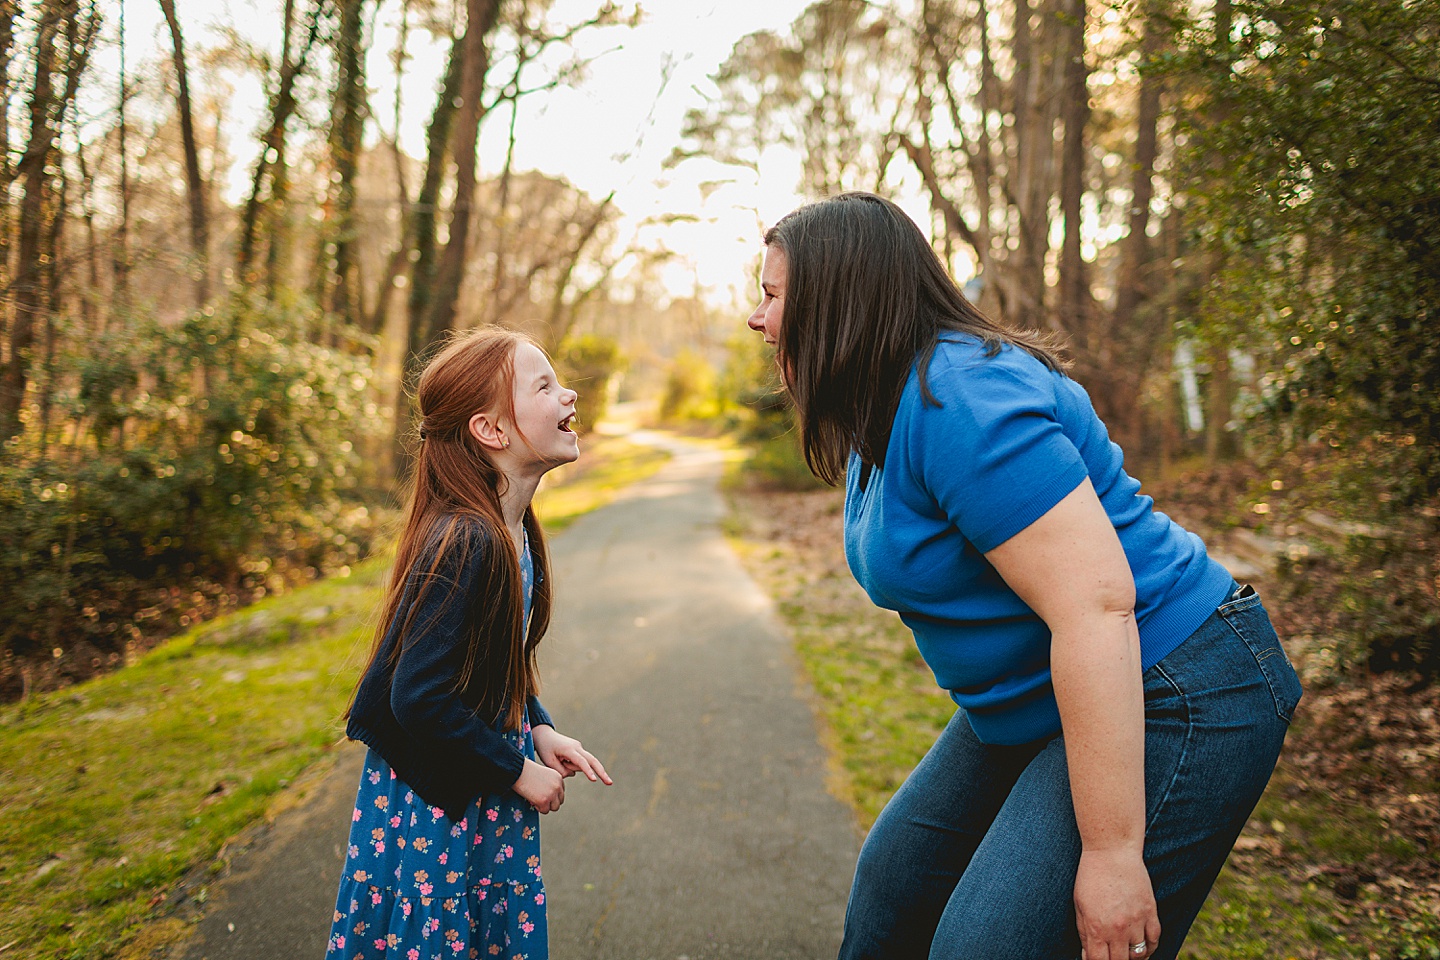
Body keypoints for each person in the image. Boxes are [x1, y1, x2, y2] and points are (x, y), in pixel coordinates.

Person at [746, 192, 1301, 960]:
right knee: (894, 891)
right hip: (1046, 694)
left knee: (987, 945)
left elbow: (1097, 609)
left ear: (838, 299)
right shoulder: (882, 407)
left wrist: (1111, 856)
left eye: (771, 296)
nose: (758, 318)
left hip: (1178, 681)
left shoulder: (963, 402)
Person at [325, 328, 612, 960]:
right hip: (440, 812)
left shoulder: (514, 532)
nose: (568, 396)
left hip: (476, 781)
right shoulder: (468, 540)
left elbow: (486, 668)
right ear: (491, 431)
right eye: (544, 386)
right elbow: (419, 698)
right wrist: (516, 770)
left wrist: (536, 728)